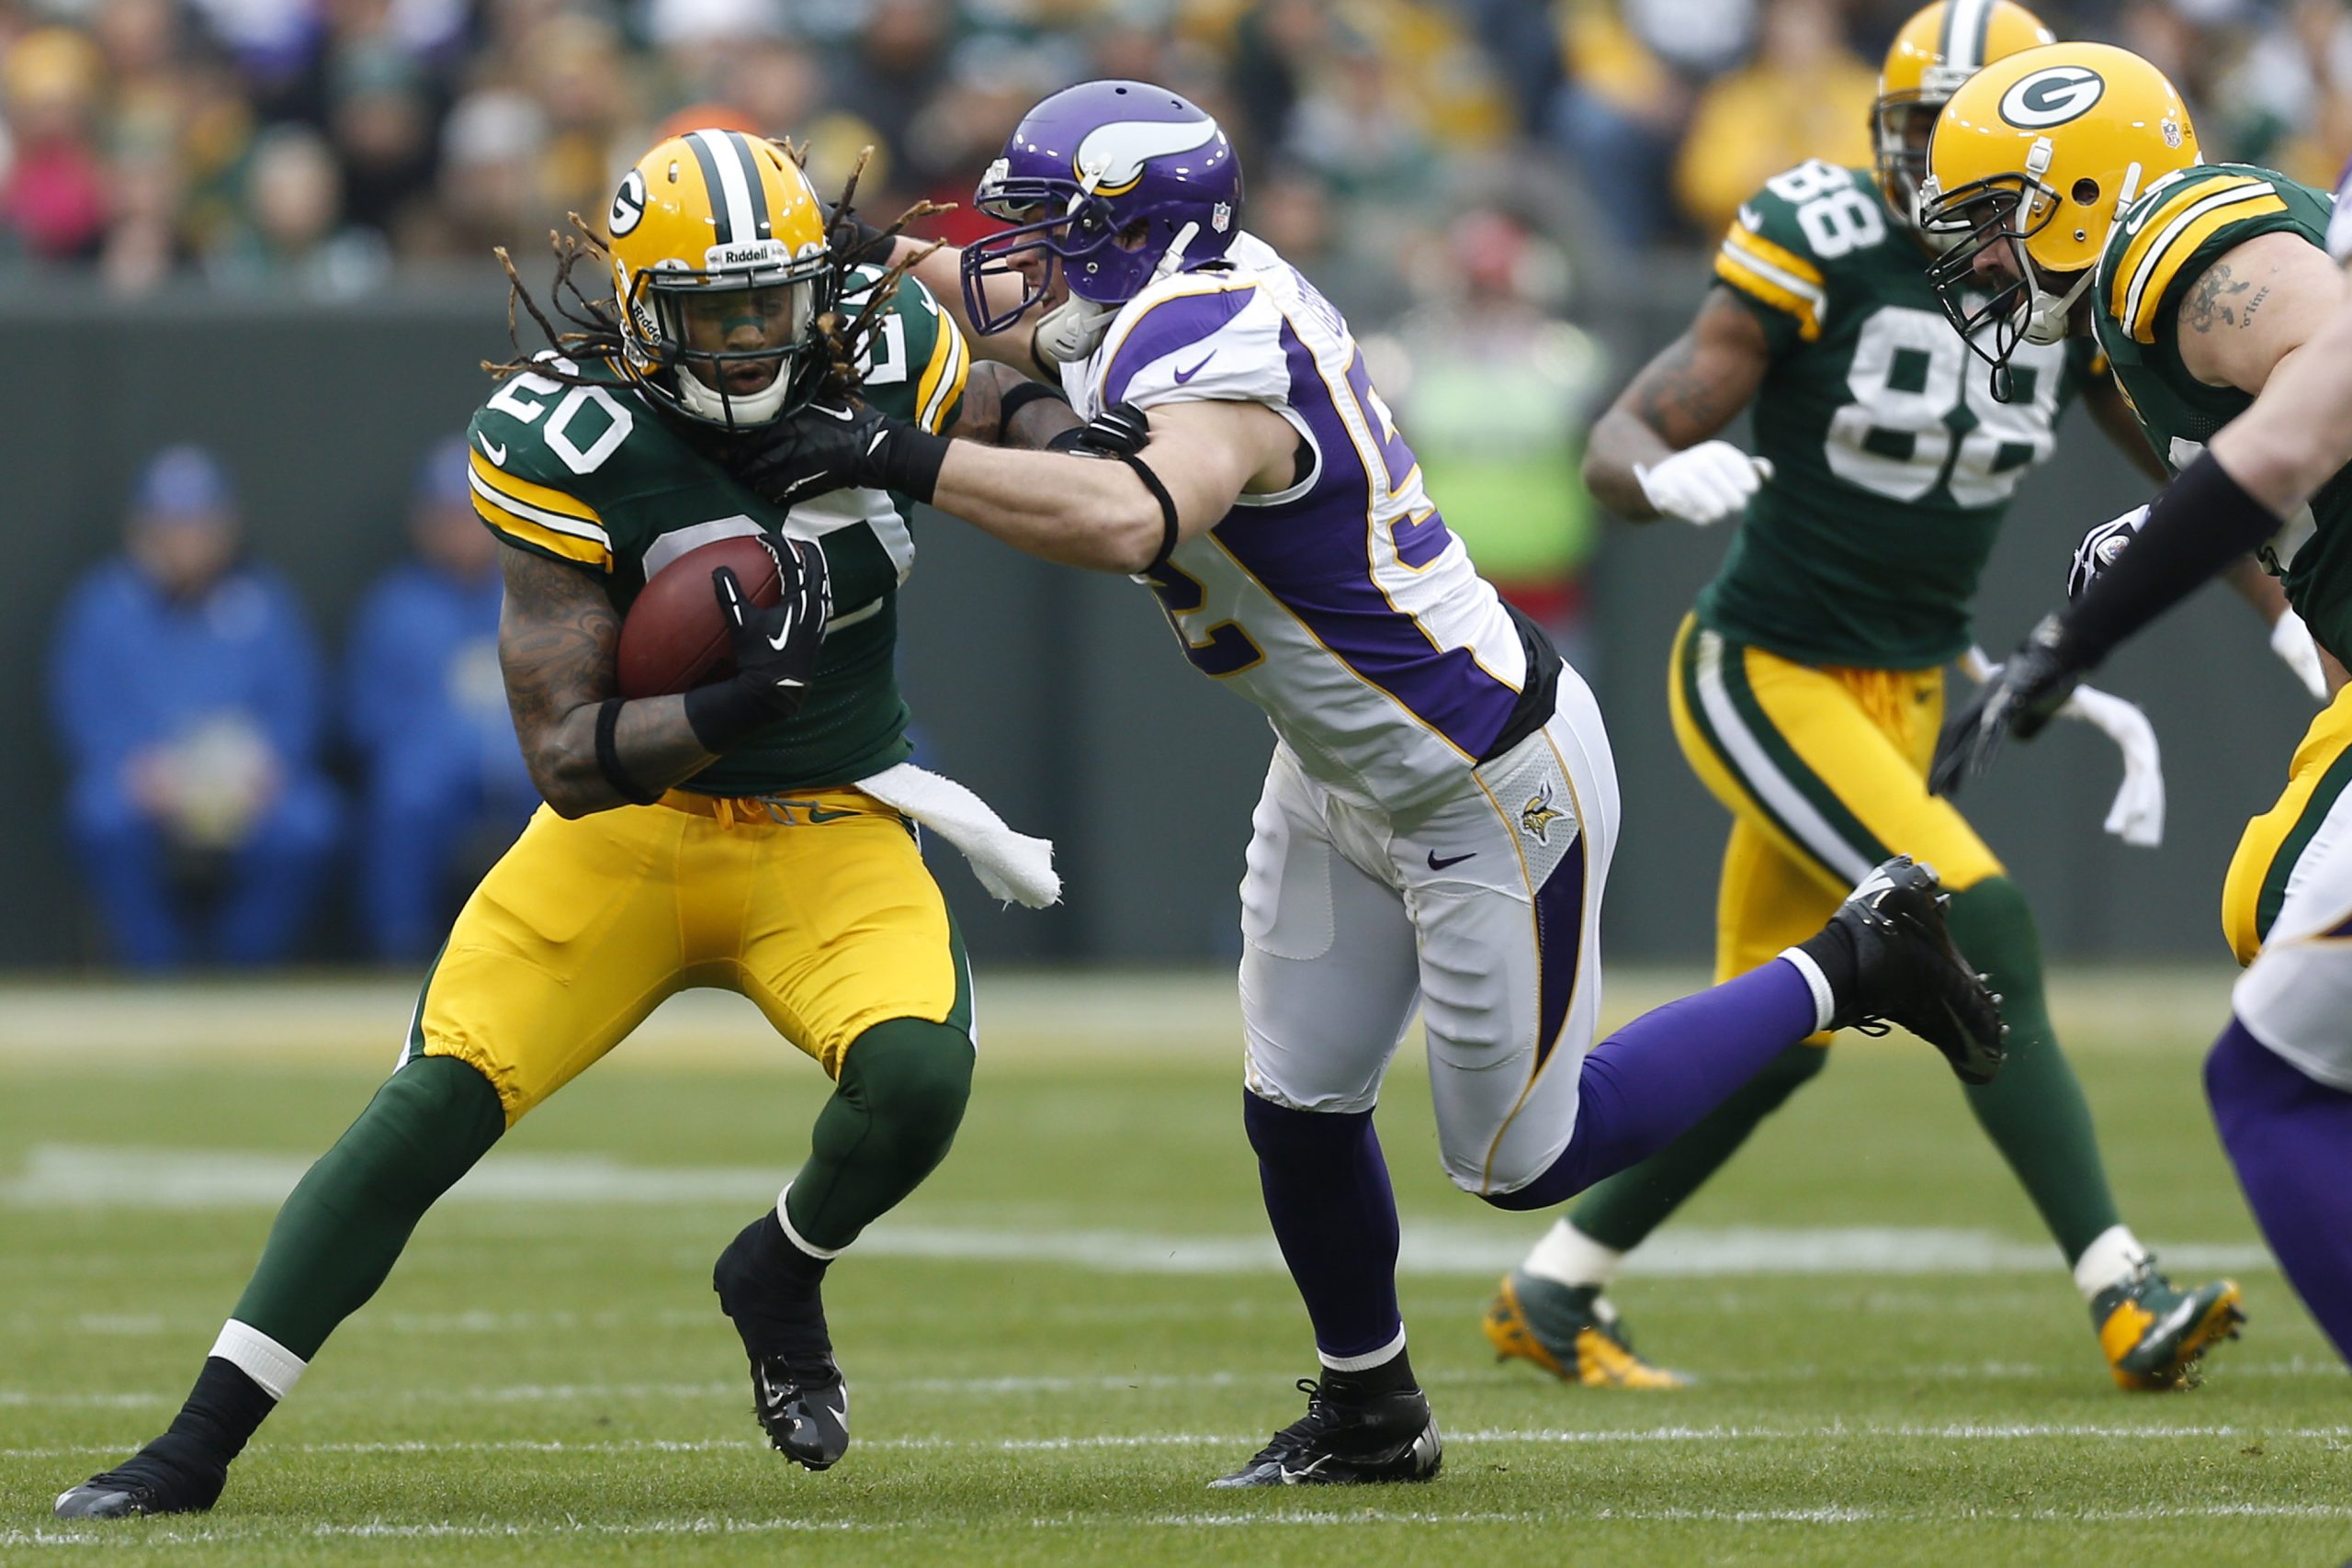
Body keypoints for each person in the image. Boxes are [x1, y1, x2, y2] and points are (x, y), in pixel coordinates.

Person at [744, 79, 2003, 1489]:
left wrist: (896, 451)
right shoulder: (1162, 287)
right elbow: (996, 313)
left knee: (1528, 1153)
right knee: (1297, 1093)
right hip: (1340, 762)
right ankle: (1371, 1411)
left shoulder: (1209, 341)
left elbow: (1130, 515)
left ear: (1126, 231)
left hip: (1482, 775)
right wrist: (831, 257)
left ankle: (1856, 956)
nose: (1006, 249)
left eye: (1043, 221)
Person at [55, 128, 1074, 1520]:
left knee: (917, 1084)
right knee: (429, 1105)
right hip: (634, 832)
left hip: (833, 823)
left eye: (772, 306)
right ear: (645, 313)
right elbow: (563, 754)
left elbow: (1019, 420)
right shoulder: (571, 430)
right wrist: (732, 700)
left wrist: (1045, 440)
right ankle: (195, 1441)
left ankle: (778, 1264)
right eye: (712, 316)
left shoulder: (887, 340)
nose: (750, 342)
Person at [1486, 0, 2247, 1396]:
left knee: (1778, 1030)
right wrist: (1648, 473)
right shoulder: (1823, 233)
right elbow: (1631, 426)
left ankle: (1554, 1287)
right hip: (1769, 666)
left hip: (1904, 690)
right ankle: (2121, 1288)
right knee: (1981, 914)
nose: (1943, 172)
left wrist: (2295, 616)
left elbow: (2211, 482)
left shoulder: (2075, 281)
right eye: (1923, 132)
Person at [1924, 41, 2352, 1366]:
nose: (1985, 262)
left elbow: (2322, 385)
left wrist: (2079, 632)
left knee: (2273, 1063)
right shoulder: (2143, 307)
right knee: (2271, 910)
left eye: (1996, 220)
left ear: (2080, 186)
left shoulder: (2177, 239)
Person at [49, 444, 340, 970]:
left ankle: (239, 964)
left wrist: (266, 769)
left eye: (199, 524)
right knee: (99, 814)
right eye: (171, 525)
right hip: (147, 782)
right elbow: (83, 711)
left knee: (311, 823)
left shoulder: (264, 603)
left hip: (245, 785)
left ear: (226, 528)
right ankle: (154, 967)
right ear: (141, 530)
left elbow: (298, 708)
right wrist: (135, 771)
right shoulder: (104, 606)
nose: (187, 540)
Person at [345, 436, 540, 963]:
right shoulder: (395, 606)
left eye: (475, 514)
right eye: (450, 515)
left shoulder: (539, 595)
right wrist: (448, 743)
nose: (463, 531)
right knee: (404, 794)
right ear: (424, 522)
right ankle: (400, 949)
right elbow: (366, 720)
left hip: (528, 766)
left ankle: (556, 952)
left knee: (568, 795)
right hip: (429, 775)